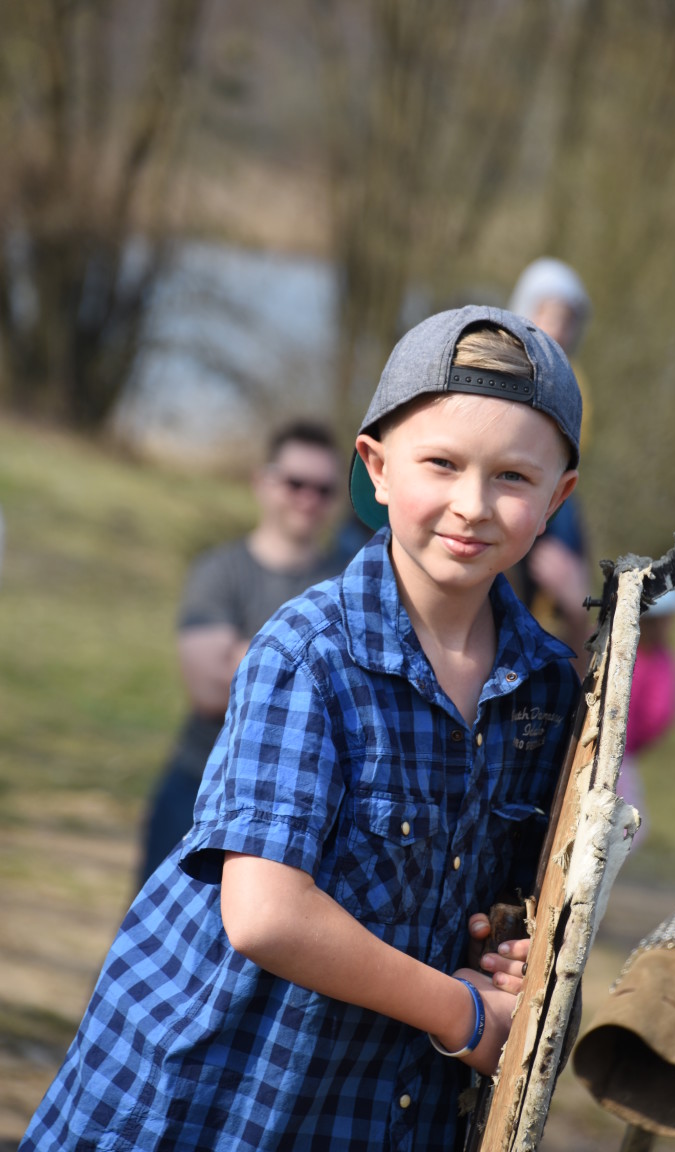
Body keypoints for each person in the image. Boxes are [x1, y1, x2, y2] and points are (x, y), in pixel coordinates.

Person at [21, 305, 583, 1152]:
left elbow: (533, 906)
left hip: (377, 1113)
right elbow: (266, 916)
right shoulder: (308, 652)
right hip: (211, 1098)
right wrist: (465, 1013)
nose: (472, 504)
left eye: (512, 476)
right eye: (441, 463)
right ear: (377, 466)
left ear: (556, 499)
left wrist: (515, 967)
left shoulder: (548, 691)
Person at [138, 419, 345, 885]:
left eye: (324, 489)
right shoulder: (218, 570)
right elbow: (209, 689)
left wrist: (244, 654)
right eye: (295, 483)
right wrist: (317, 667)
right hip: (198, 786)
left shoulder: (346, 583)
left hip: (303, 804)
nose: (309, 499)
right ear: (262, 482)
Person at [506, 257, 594, 675]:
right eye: (549, 315)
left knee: (564, 545)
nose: (558, 328)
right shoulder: (510, 366)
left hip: (554, 485)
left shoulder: (575, 380)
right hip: (522, 481)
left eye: (567, 320)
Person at [619, 580, 675, 846]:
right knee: (626, 832)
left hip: (623, 755)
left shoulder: (658, 656)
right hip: (616, 758)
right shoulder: (653, 659)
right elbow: (658, 714)